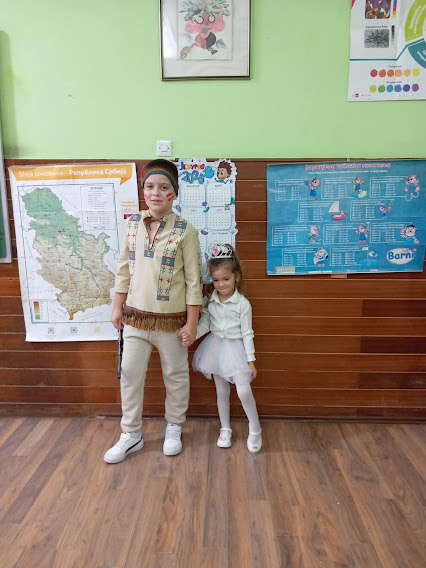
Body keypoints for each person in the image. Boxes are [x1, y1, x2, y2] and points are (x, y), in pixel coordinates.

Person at [104, 159, 203, 464]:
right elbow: (123, 270)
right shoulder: (132, 224)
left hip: (172, 323)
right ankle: (131, 433)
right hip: (135, 319)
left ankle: (174, 426)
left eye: (163, 187)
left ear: (174, 193)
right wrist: (117, 307)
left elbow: (193, 282)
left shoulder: (186, 232)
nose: (155, 193)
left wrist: (192, 323)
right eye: (149, 187)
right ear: (143, 191)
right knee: (130, 374)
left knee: (176, 374)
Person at [183, 244, 262, 453]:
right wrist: (191, 335)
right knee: (221, 390)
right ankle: (225, 429)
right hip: (216, 349)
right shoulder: (210, 301)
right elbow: (205, 325)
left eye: (226, 279)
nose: (221, 284)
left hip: (237, 351)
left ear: (236, 277)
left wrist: (251, 360)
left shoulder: (242, 304)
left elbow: (247, 333)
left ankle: (255, 428)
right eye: (216, 280)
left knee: (243, 390)